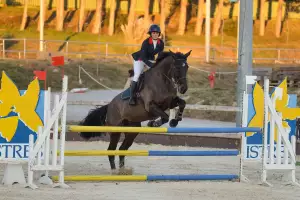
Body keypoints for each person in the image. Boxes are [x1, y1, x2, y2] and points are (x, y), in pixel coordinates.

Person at [129, 24, 165, 105]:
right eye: (153, 33)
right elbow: (143, 56)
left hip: (150, 59)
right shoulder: (146, 42)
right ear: (150, 34)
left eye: (156, 33)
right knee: (137, 75)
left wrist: (158, 63)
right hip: (140, 59)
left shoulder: (161, 43)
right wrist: (150, 64)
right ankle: (132, 97)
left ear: (159, 34)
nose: (155, 34)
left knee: (154, 74)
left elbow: (160, 54)